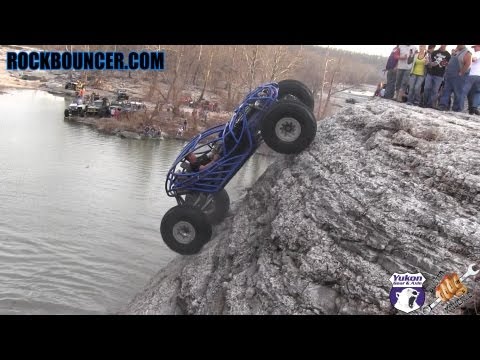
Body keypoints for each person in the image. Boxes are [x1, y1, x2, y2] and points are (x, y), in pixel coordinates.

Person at [438, 45, 472, 112]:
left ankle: (457, 109)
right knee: (446, 91)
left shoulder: (467, 53)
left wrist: (461, 73)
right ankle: (443, 106)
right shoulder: (456, 52)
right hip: (449, 75)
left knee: (458, 93)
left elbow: (468, 64)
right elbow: (451, 62)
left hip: (459, 77)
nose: (457, 46)